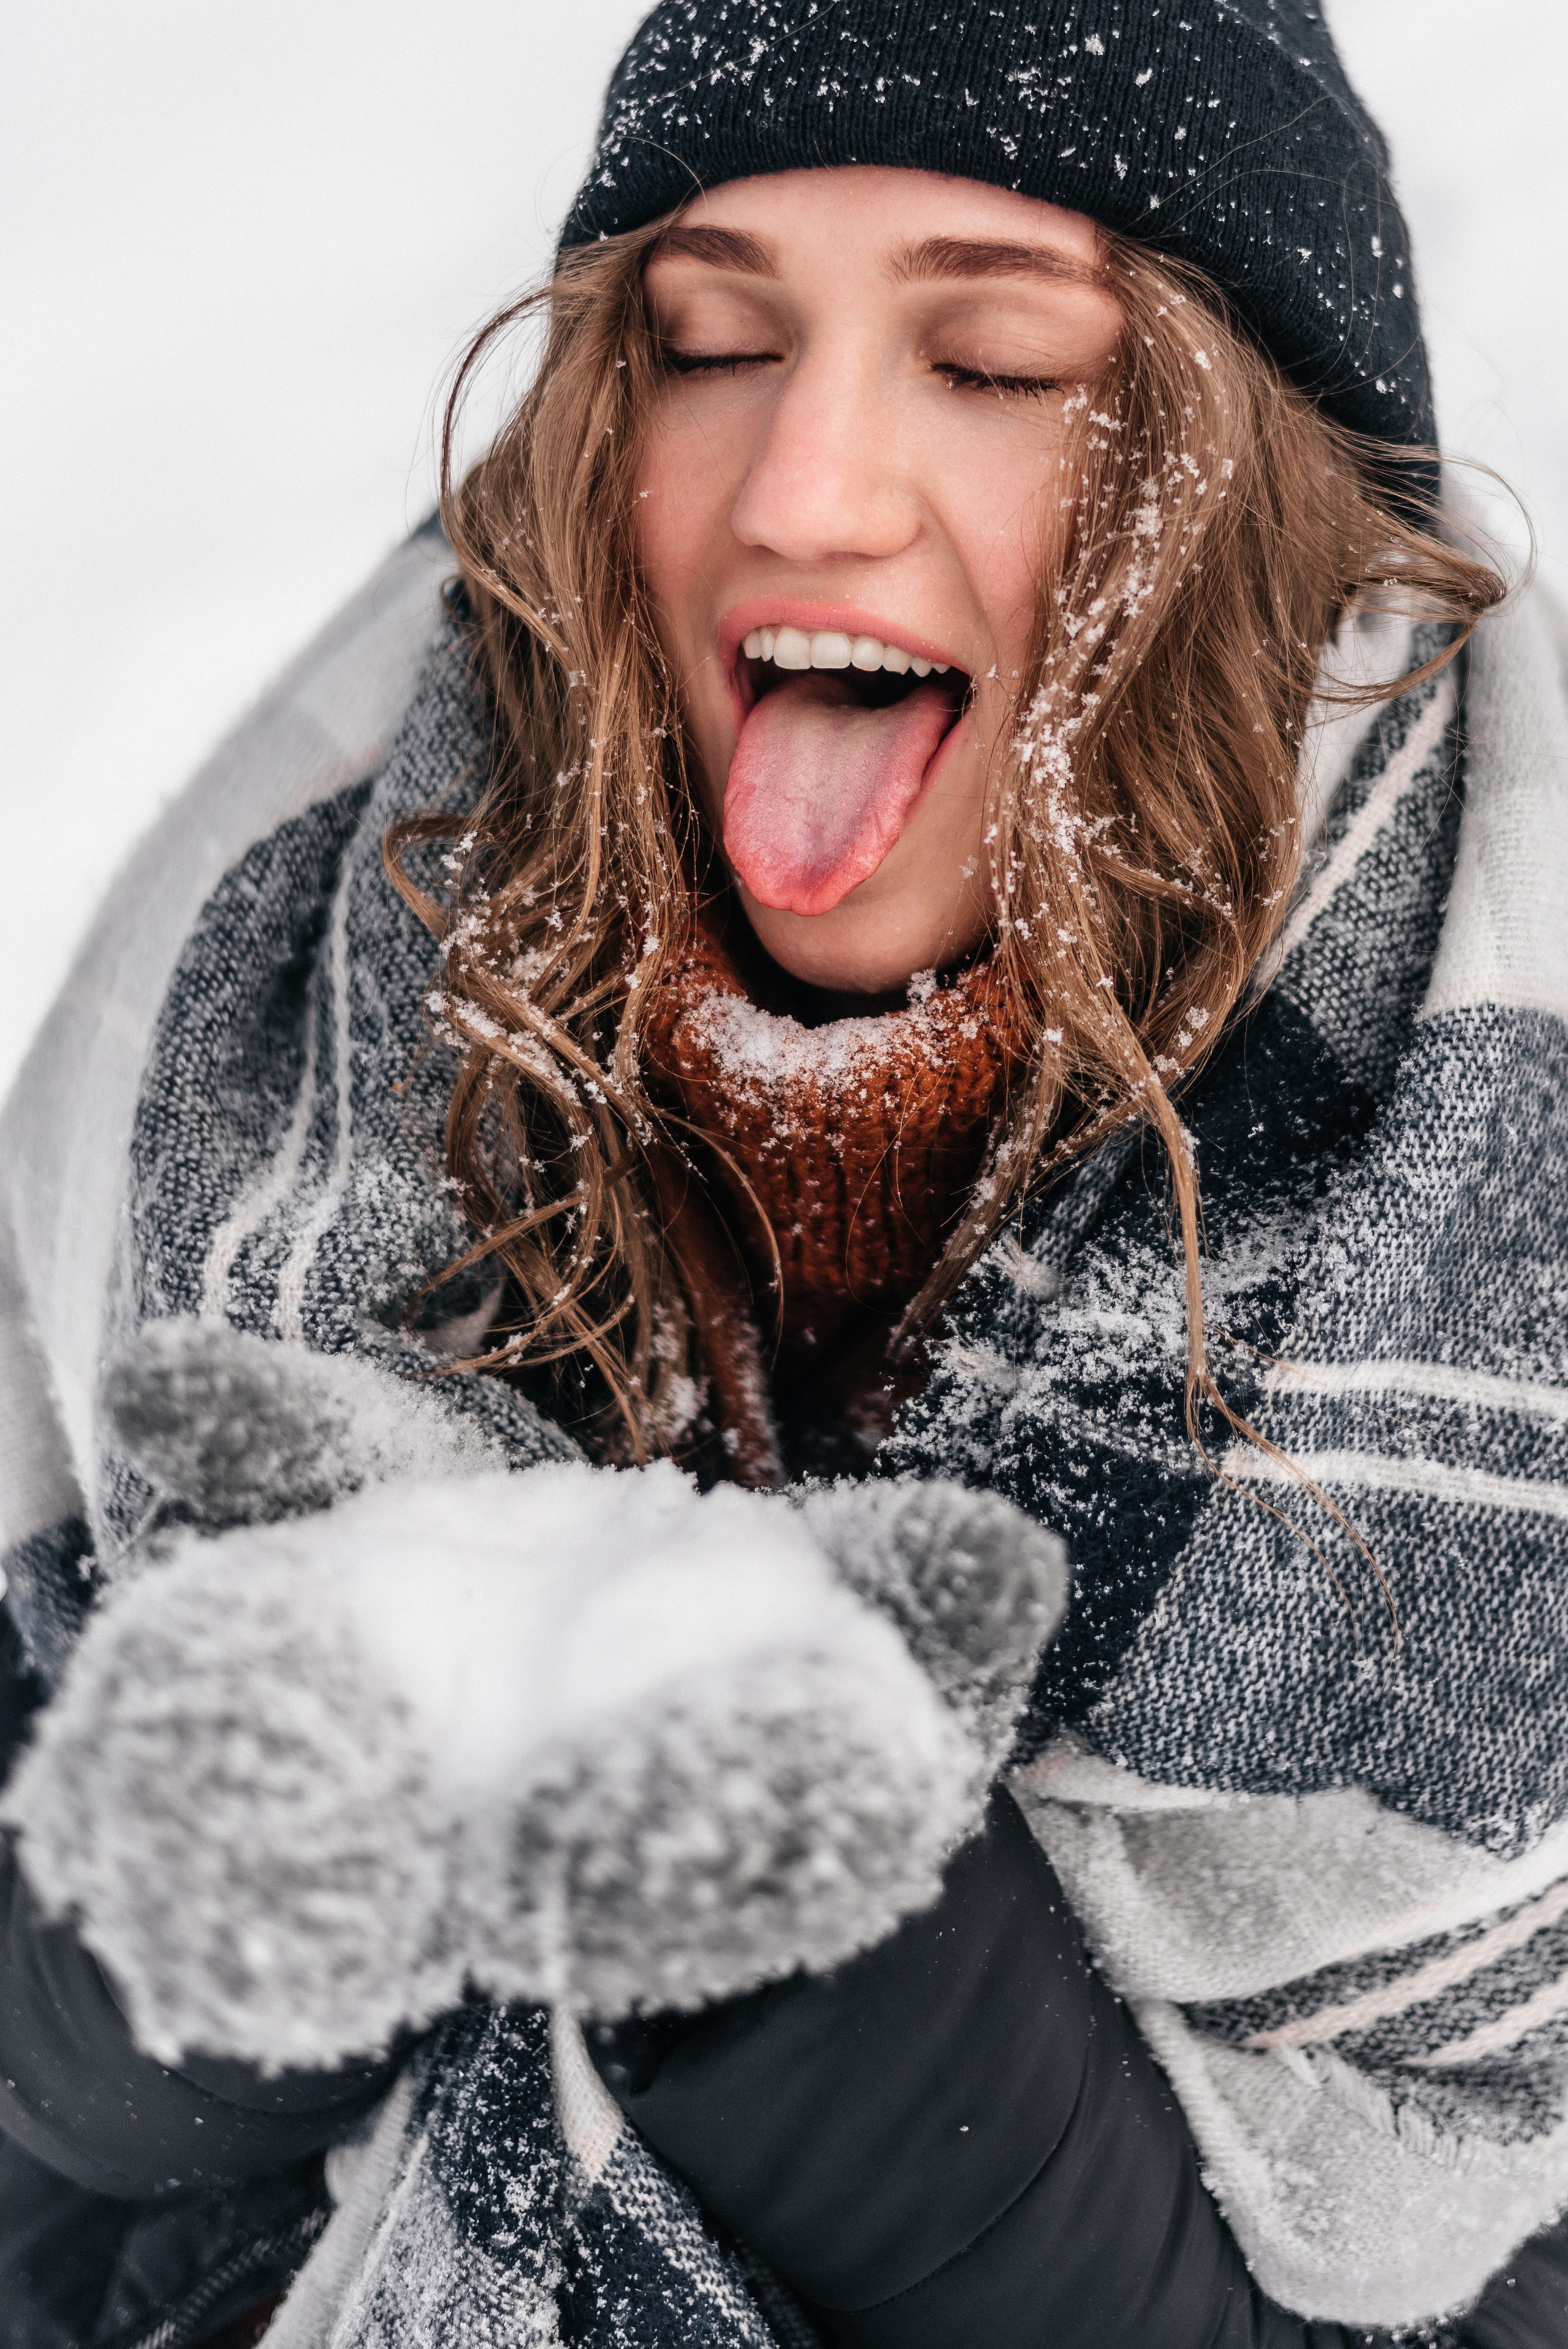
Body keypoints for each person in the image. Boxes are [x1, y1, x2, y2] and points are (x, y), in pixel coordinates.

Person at [2, 1, 1567, 2342]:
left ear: (1270, 514)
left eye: (1003, 361)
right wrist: (183, 1934)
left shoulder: (1505, 1242)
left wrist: (828, 1970)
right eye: (712, 338)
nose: (803, 488)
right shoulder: (242, 1080)